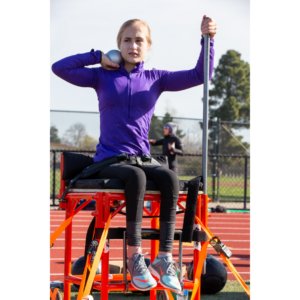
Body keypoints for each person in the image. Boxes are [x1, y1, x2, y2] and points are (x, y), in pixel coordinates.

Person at [52, 16, 217, 293]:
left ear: (148, 46)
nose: (133, 45)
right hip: (109, 160)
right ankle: (134, 257)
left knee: (169, 178)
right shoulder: (100, 75)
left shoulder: (157, 78)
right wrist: (97, 56)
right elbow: (59, 68)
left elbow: (201, 75)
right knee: (136, 177)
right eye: (126, 40)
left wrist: (207, 41)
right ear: (118, 45)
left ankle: (164, 259)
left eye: (139, 40)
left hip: (141, 157)